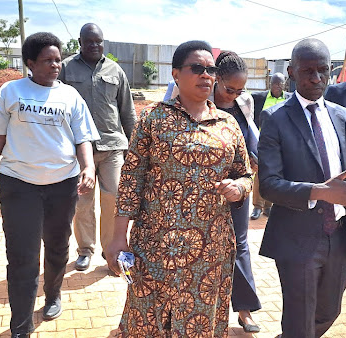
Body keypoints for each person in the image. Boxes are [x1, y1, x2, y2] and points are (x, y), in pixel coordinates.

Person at [105, 40, 253, 336]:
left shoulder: (228, 124)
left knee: (198, 320)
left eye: (211, 70)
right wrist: (117, 237)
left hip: (209, 248)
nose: (206, 75)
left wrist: (238, 187)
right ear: (175, 74)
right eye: (196, 68)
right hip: (156, 245)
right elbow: (131, 181)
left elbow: (246, 174)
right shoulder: (152, 119)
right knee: (149, 318)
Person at [257, 38, 346, 338]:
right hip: (297, 236)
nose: (316, 78)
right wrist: (320, 191)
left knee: (329, 310)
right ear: (291, 72)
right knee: (300, 320)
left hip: (338, 234)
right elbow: (270, 185)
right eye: (307, 71)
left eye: (322, 70)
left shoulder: (344, 117)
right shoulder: (275, 119)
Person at [0, 32, 98, 338]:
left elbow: (83, 138)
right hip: (19, 186)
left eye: (58, 59)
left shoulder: (70, 96)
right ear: (30, 63)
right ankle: (21, 326)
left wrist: (89, 167)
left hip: (61, 186)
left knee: (56, 248)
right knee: (22, 256)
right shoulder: (11, 92)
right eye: (48, 60)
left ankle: (52, 295)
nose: (56, 65)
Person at [59, 23, 136, 272]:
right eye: (89, 41)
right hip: (79, 148)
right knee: (82, 202)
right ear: (80, 42)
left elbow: (127, 111)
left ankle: (110, 250)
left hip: (112, 146)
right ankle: (85, 250)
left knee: (113, 199)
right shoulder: (66, 69)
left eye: (98, 41)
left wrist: (133, 146)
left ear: (104, 42)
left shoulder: (115, 70)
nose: (94, 45)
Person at [211, 50, 262, 333]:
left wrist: (253, 157)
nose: (234, 95)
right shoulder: (200, 101)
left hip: (239, 183)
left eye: (240, 90)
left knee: (239, 242)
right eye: (230, 89)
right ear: (217, 79)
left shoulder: (244, 101)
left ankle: (244, 310)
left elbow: (249, 134)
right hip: (205, 187)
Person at [250, 72, 290, 219]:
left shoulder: (290, 98)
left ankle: (269, 206)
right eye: (274, 83)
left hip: (281, 142)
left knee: (275, 173)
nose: (277, 87)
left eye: (280, 84)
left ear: (284, 84)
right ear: (269, 84)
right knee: (260, 173)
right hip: (262, 142)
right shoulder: (258, 98)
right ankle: (257, 207)